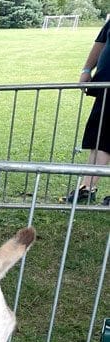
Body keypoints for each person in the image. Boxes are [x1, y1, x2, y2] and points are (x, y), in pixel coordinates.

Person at [76, 20, 110, 205]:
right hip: (106, 87)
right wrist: (87, 70)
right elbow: (101, 42)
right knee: (99, 138)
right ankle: (87, 188)